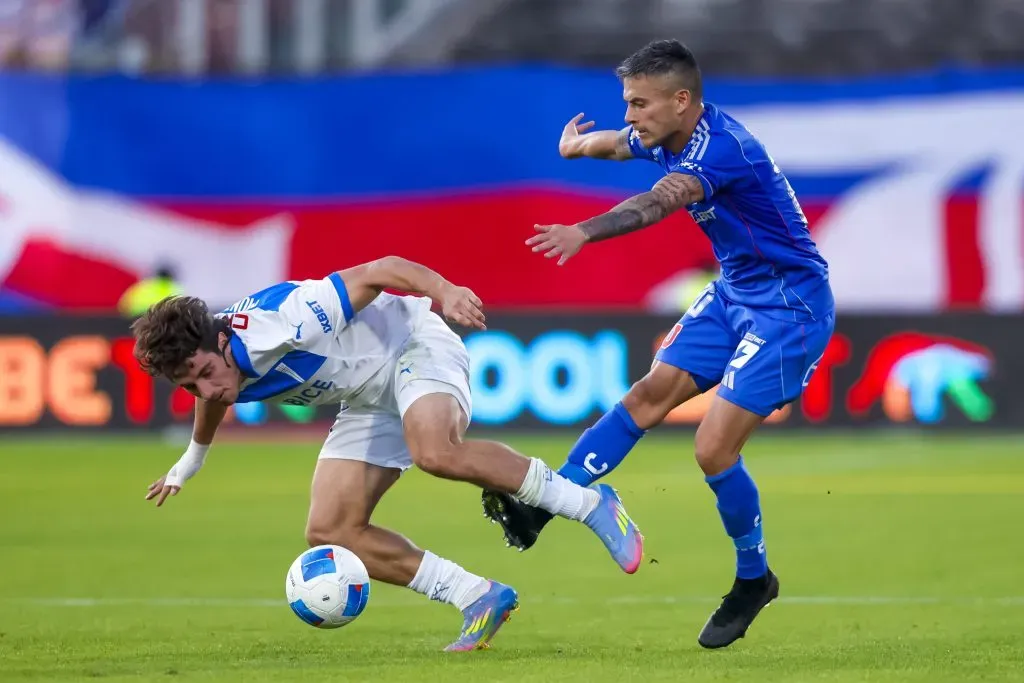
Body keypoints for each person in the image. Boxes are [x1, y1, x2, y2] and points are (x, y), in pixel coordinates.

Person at [480, 39, 835, 650]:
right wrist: (576, 146)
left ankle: (754, 578)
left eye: (640, 103)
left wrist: (583, 231)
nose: (631, 113)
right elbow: (619, 145)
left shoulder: (722, 150)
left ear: (681, 100)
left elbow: (655, 203)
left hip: (789, 308)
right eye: (627, 101)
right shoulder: (666, 130)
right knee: (647, 395)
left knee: (712, 448)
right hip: (733, 294)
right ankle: (550, 502)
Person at [132, 255, 644, 652]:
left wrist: (445, 291)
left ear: (222, 340)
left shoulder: (285, 321)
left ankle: (590, 504)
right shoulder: (216, 370)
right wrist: (191, 460)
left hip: (414, 346)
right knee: (330, 530)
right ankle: (478, 596)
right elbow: (217, 397)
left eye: (204, 372)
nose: (207, 388)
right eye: (189, 384)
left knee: (435, 452)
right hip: (367, 398)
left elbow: (381, 269)